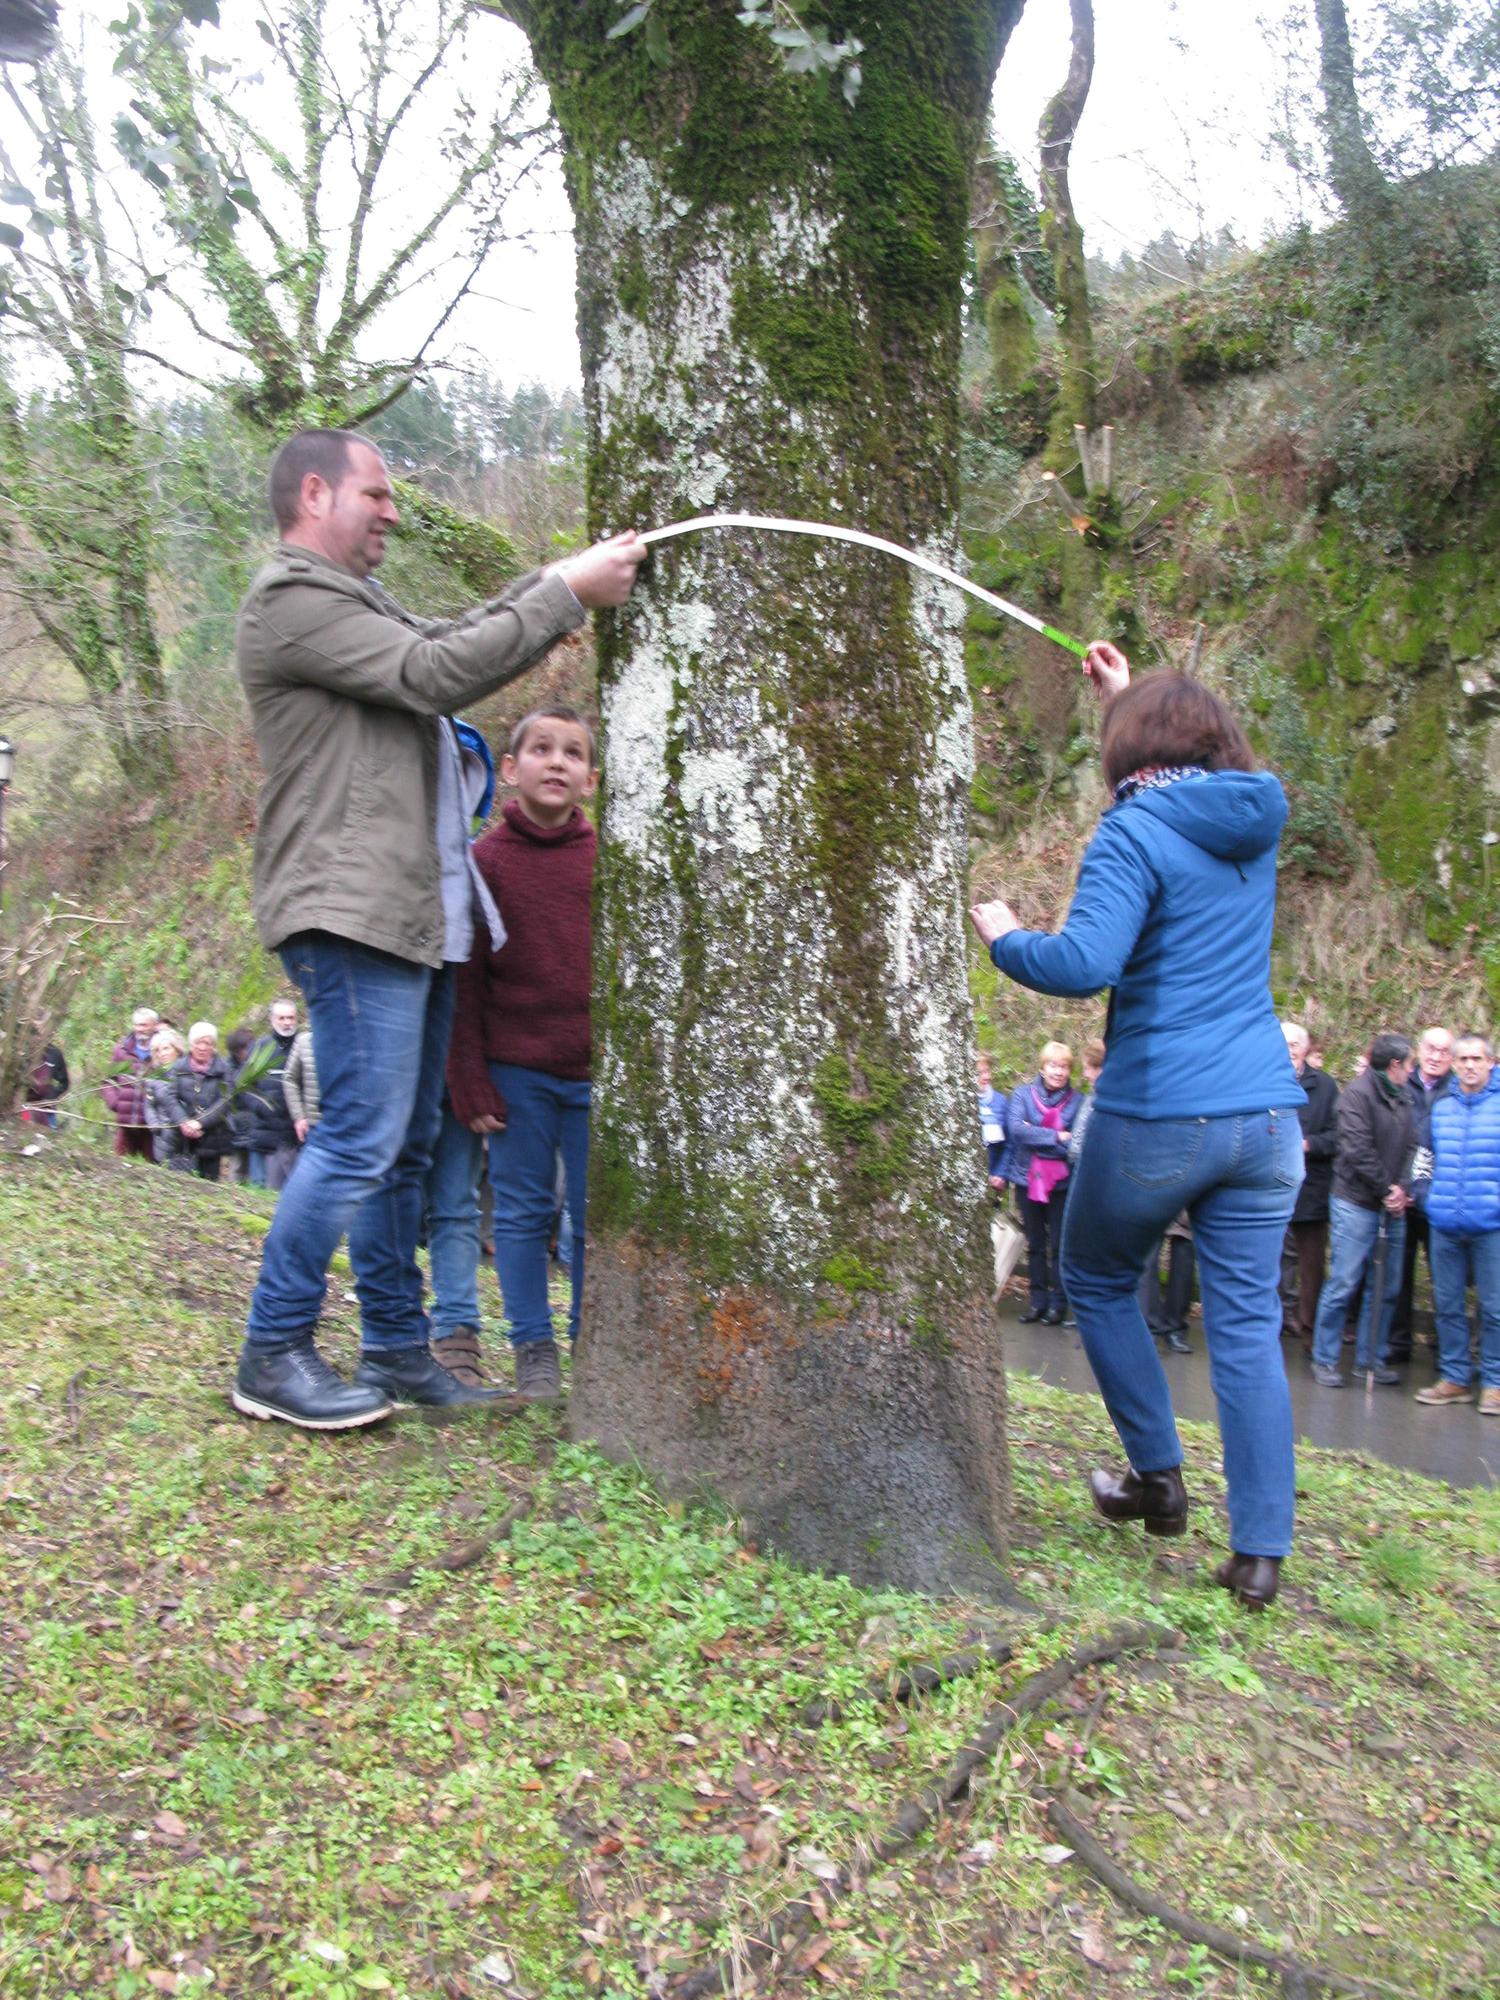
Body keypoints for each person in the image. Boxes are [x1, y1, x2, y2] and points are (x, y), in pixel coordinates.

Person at [232, 427, 645, 1432]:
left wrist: (556, 579)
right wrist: (567, 593)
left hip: (406, 913)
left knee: (407, 1145)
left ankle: (395, 1348)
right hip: (349, 910)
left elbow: (446, 638)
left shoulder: (355, 603)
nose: (393, 510)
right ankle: (272, 1351)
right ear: (317, 493)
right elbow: (433, 671)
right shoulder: (291, 600)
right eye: (377, 492)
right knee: (363, 1134)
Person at [971, 641, 1305, 1613]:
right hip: (1266, 1118)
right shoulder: (1254, 817)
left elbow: (1084, 963)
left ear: (1128, 755)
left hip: (1162, 1108)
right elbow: (1191, 772)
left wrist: (1005, 937)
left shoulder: (1134, 828)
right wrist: (1129, 699)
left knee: (1095, 1274)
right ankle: (1259, 1555)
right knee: (1245, 1330)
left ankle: (1157, 1480)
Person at [446, 705, 599, 1403]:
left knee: (592, 1216)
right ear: (509, 769)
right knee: (520, 1211)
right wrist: (469, 1077)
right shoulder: (485, 863)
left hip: (596, 1074)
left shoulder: (608, 862)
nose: (556, 761)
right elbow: (465, 978)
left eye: (572, 752)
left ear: (589, 779)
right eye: (541, 748)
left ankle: (590, 1340)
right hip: (517, 1070)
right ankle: (533, 1347)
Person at [1308, 1034, 1420, 1389]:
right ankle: (1324, 1358)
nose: (1413, 1069)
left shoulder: (1404, 1095)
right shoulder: (1356, 1095)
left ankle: (1371, 1358)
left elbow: (1413, 1144)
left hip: (1392, 1204)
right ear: (1395, 1065)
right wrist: (1387, 1189)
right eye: (1410, 1063)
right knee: (1344, 1281)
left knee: (1386, 1285)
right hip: (1355, 1202)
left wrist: (1402, 1187)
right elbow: (1357, 1151)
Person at [1416, 1032, 1500, 1414]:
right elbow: (1423, 1160)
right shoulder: (1441, 1107)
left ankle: (1494, 1383)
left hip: (1491, 1227)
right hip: (1444, 1224)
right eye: (1462, 1059)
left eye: (1476, 1059)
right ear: (1454, 1064)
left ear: (1491, 1063)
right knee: (1447, 1306)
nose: (1469, 1065)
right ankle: (1455, 1378)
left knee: (1494, 1309)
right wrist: (1426, 1198)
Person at [1001, 1042, 1081, 1325]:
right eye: (1053, 1065)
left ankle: (1058, 1304)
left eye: (1064, 1067)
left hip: (1061, 1184)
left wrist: (1036, 1135)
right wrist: (1056, 1136)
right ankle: (1037, 1302)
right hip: (1027, 1179)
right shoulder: (1022, 1095)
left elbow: (1075, 1144)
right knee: (1035, 1243)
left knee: (1059, 1245)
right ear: (1042, 1067)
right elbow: (1017, 1132)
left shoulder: (1077, 1101)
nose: (1058, 1072)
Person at [1388, 1025, 1453, 1363]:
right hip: (1400, 1193)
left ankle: (1446, 1348)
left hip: (1438, 1198)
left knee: (1445, 1278)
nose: (1436, 1057)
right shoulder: (1401, 1083)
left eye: (1444, 1051)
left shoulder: (1457, 1089)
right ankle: (1398, 1343)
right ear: (1419, 1051)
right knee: (1398, 1275)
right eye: (1431, 1049)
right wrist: (1399, 1185)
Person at [1280, 1020, 1339, 1351]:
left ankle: (1310, 1333)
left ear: (1305, 1049)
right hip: (1268, 1185)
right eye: (1283, 1044)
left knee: (1311, 1266)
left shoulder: (1325, 1086)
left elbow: (1338, 1137)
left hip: (1311, 1187)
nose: (1288, 1050)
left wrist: (1308, 1144)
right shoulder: (1261, 1079)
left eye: (1294, 1045)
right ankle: (1271, 1324)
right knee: (1269, 1261)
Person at [162, 1022, 237, 1180]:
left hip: (212, 1138)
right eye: (198, 1043)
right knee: (179, 1181)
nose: (202, 1048)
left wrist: (200, 1123)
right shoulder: (178, 1068)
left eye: (207, 1043)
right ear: (191, 1044)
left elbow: (225, 1101)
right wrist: (183, 1121)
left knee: (208, 1184)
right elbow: (170, 1097)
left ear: (213, 1046)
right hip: (182, 1139)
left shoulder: (224, 1070)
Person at [242, 997, 303, 1189]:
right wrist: (261, 1107)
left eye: (290, 1018)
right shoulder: (260, 1048)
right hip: (264, 1132)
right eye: (282, 1018)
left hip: (297, 1134)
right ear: (272, 1020)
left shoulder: (305, 1047)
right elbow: (243, 1086)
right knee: (260, 1192)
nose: (287, 1022)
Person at [102, 1007, 160, 1160]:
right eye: (136, 1025)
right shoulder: (122, 1051)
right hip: (125, 1123)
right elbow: (108, 1080)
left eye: (144, 1025)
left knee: (154, 1168)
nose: (139, 1029)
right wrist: (115, 1103)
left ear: (155, 1026)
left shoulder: (162, 1050)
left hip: (152, 1126)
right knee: (120, 1165)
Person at [1140, 1214, 1194, 1353]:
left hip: (1185, 1206)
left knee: (1184, 1260)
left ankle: (1175, 1329)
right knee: (1147, 1261)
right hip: (1150, 1206)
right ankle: (1148, 1329)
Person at [143, 1027, 187, 1163]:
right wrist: (154, 1124)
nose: (162, 1053)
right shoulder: (153, 1079)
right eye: (158, 1050)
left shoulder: (189, 1073)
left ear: (176, 1049)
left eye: (166, 1048)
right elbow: (149, 1106)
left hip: (187, 1138)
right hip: (163, 1139)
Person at [1065, 1037, 1107, 1167]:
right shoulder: (1092, 1095)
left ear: (1101, 1068)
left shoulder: (1108, 1102)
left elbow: (1076, 1148)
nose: (1085, 1074)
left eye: (1087, 1068)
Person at [281, 1023, 320, 1142]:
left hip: (350, 1123)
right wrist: (299, 1116)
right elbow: (289, 1078)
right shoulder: (304, 1041)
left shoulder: (355, 1042)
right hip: (314, 1125)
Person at [976, 1051, 1007, 1190]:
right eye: (980, 1073)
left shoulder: (1001, 1101)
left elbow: (1009, 1143)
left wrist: (1000, 1174)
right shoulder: (960, 1102)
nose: (986, 1077)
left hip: (994, 1179)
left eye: (987, 1071)